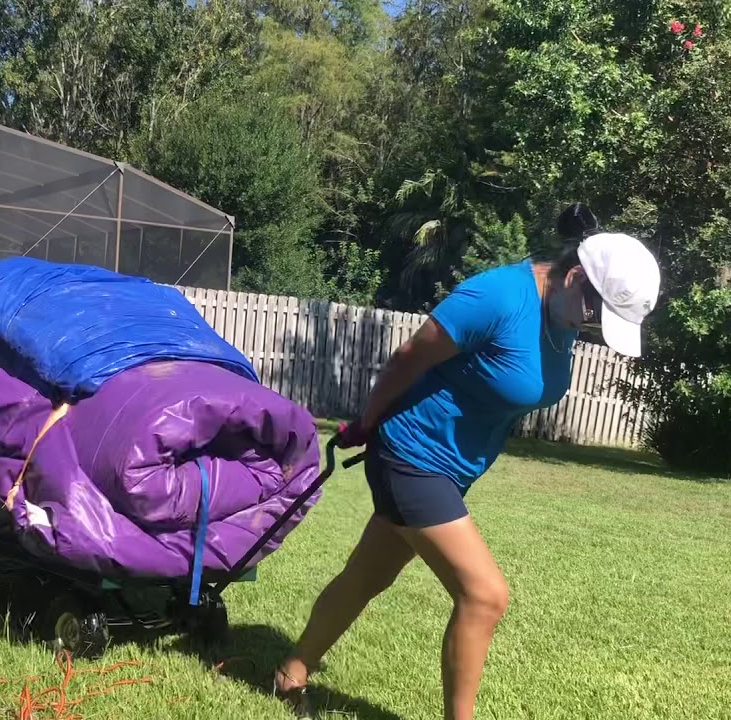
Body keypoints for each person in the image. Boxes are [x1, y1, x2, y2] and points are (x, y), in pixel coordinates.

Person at [272, 205, 661, 719]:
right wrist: (368, 422)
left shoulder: (560, 316)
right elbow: (410, 356)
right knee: (485, 595)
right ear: (574, 277)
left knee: (367, 576)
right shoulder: (497, 297)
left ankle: (290, 672)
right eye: (595, 313)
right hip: (411, 455)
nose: (593, 326)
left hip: (448, 470)